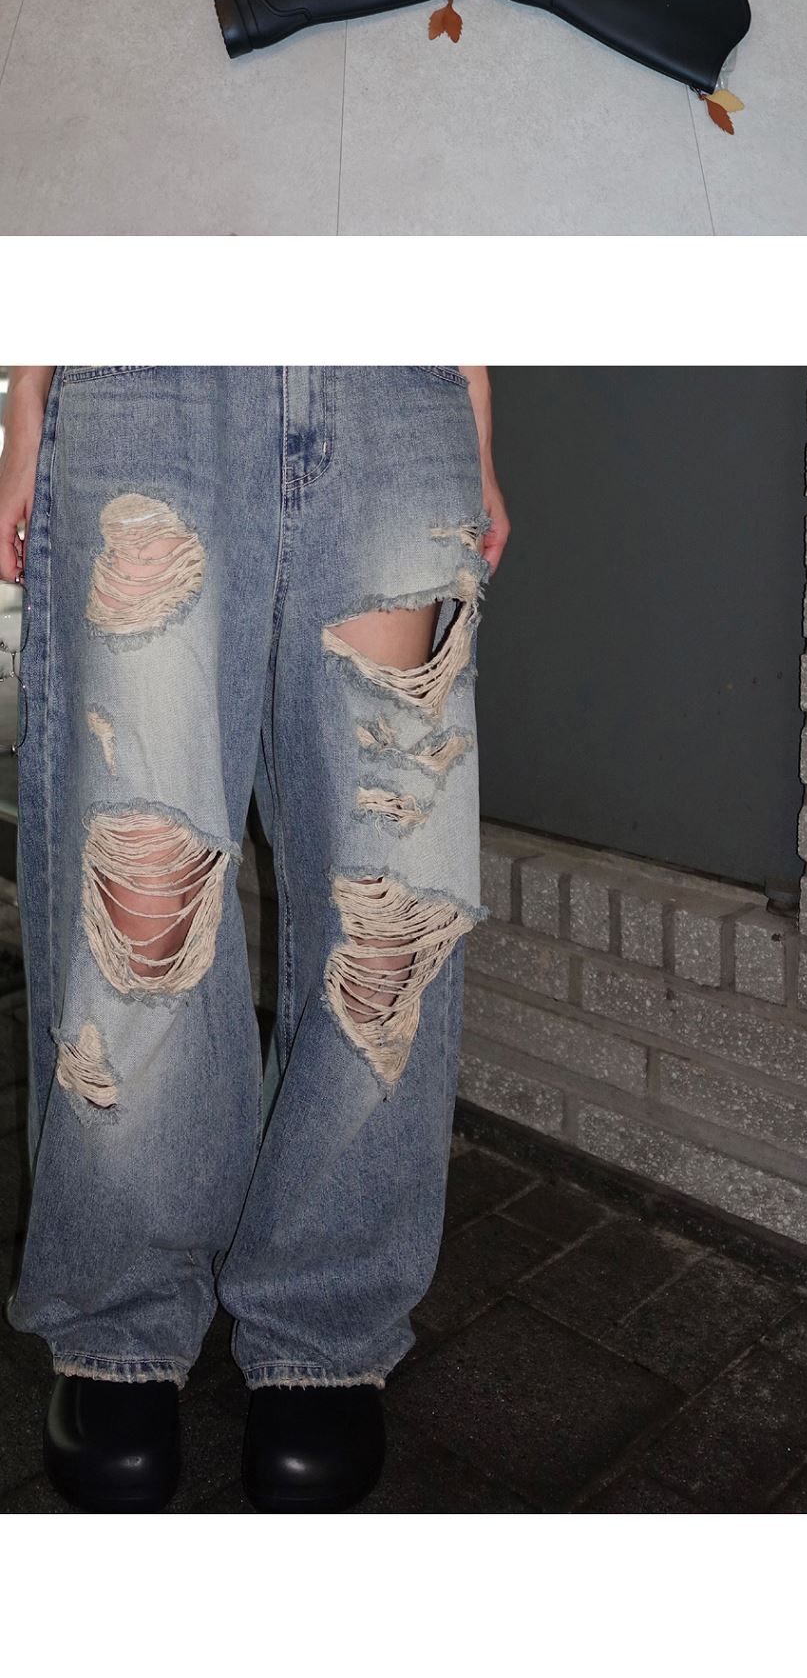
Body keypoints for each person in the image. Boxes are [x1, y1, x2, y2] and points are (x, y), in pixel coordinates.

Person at [1, 361, 509, 1511]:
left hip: (391, 384)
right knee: (140, 899)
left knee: (389, 903)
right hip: (146, 380)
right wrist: (27, 404)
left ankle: (322, 1318)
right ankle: (122, 1314)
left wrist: (473, 412)